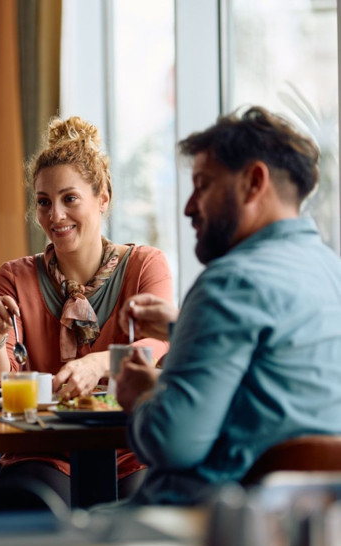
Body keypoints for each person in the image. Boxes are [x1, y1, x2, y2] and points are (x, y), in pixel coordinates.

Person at [116, 106, 341, 505]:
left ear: (253, 182)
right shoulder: (331, 271)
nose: (188, 207)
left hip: (207, 521)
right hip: (307, 522)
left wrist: (141, 396)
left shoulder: (229, 282)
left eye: (202, 185)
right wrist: (182, 327)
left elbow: (172, 444)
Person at [0, 116, 173, 504]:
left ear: (103, 198)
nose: (55, 216)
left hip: (131, 449)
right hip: (42, 448)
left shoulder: (146, 265)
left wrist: (99, 363)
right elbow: (1, 386)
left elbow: (163, 342)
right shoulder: (13, 277)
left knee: (144, 512)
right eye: (44, 202)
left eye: (70, 199)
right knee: (40, 504)